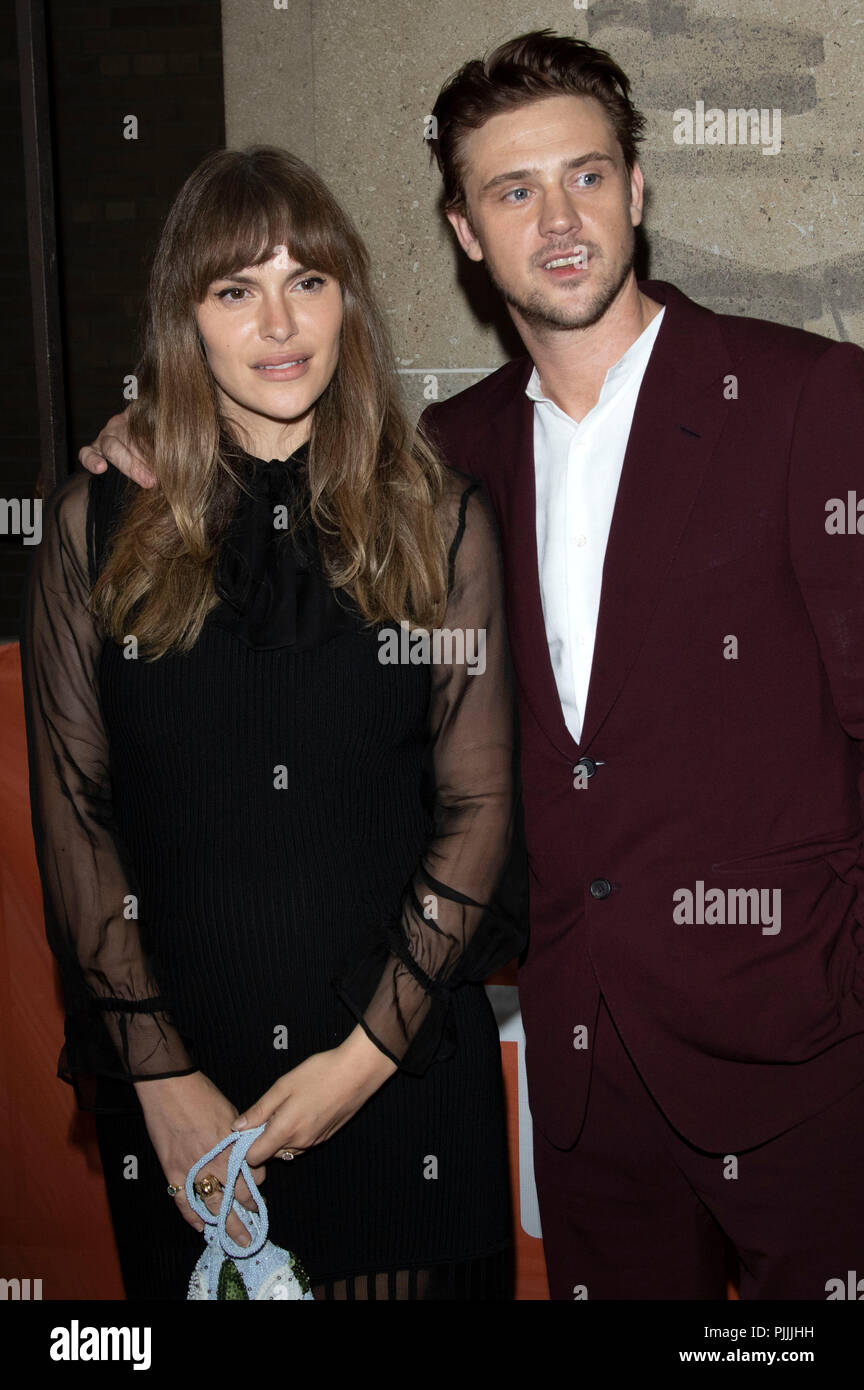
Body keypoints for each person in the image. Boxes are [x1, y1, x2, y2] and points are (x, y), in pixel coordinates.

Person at [83, 31, 864, 1302]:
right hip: (586, 1075)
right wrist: (143, 430)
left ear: (639, 191)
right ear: (463, 229)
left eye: (588, 177)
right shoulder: (441, 462)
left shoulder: (805, 398)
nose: (558, 221)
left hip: (809, 1064)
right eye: (513, 191)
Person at [23, 144, 527, 1302]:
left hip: (403, 1081)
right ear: (185, 320)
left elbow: (480, 809)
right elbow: (77, 820)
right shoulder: (96, 526)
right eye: (234, 288)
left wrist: (359, 1065)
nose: (280, 320)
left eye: (308, 280)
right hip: (186, 1094)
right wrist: (160, 1076)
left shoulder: (438, 519)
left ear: (347, 297)